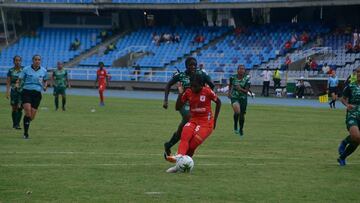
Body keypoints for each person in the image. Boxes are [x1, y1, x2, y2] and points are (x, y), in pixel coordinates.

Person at [164, 74, 221, 173]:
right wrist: (181, 93)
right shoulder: (188, 92)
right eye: (191, 85)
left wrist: (215, 120)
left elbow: (219, 102)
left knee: (192, 144)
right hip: (193, 120)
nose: (193, 88)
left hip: (206, 123)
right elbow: (177, 107)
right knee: (185, 134)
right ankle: (179, 158)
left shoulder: (207, 91)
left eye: (195, 86)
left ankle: (178, 165)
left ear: (201, 85)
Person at [163, 57, 215, 157]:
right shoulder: (181, 75)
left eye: (194, 65)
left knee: (183, 128)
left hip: (197, 104)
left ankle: (169, 144)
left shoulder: (201, 74)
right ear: (186, 66)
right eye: (190, 65)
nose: (193, 67)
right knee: (188, 118)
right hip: (184, 103)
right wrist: (166, 100)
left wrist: (207, 94)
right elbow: (168, 85)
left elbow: (212, 85)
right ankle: (186, 149)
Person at [18, 55, 48, 139]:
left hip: (37, 94)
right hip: (26, 92)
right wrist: (17, 84)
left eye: (39, 60)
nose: (37, 61)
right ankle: (25, 133)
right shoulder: (26, 69)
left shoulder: (44, 71)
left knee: (31, 116)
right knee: (27, 111)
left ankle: (26, 121)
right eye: (35, 59)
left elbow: (45, 81)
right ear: (32, 60)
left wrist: (45, 86)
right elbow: (20, 79)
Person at [337, 67, 360, 166]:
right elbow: (343, 99)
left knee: (357, 141)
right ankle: (345, 141)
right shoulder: (350, 86)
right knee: (356, 136)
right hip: (353, 114)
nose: (359, 74)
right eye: (358, 72)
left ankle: (342, 157)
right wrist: (347, 105)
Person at [228, 65, 250, 136]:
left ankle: (241, 128)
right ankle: (235, 125)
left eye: (243, 69)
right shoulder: (232, 77)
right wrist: (229, 93)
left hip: (243, 98)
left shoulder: (247, 78)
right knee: (237, 111)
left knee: (242, 115)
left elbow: (246, 91)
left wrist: (240, 89)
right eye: (240, 69)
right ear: (237, 70)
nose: (242, 70)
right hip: (235, 97)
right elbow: (231, 85)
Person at [6, 55, 23, 129]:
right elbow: (8, 82)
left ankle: (17, 124)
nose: (18, 62)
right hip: (13, 92)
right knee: (14, 108)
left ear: (21, 61)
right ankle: (14, 124)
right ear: (14, 61)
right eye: (16, 60)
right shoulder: (10, 70)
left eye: (19, 60)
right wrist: (7, 92)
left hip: (22, 91)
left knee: (20, 107)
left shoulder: (24, 69)